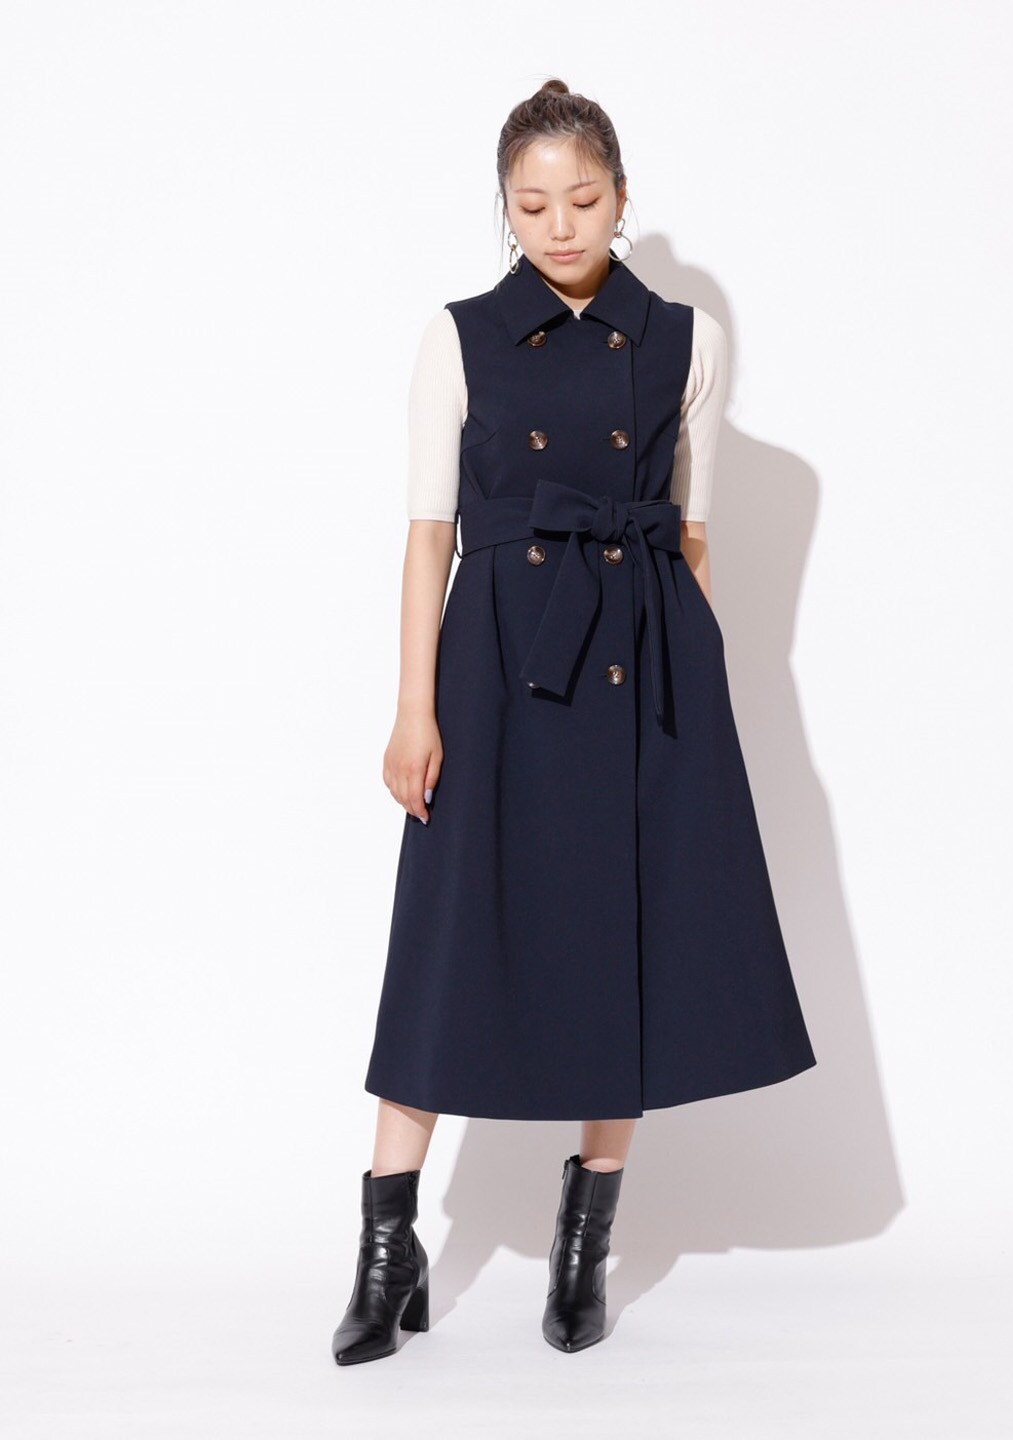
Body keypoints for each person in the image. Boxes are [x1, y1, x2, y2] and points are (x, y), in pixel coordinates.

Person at [332, 78, 817, 1365]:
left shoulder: (686, 339)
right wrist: (414, 709)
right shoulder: (458, 338)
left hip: (639, 667)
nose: (558, 226)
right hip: (496, 667)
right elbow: (428, 536)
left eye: (583, 200)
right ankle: (387, 1247)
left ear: (621, 197)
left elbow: (694, 534)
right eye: (532, 205)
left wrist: (682, 693)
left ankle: (587, 1237)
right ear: (504, 207)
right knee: (447, 941)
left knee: (624, 942)